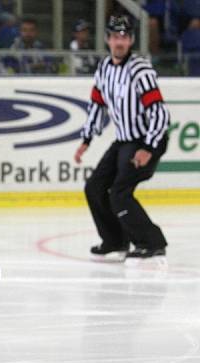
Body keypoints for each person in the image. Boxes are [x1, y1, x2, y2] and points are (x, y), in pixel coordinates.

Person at [74, 15, 170, 264]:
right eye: (115, 36)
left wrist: (149, 147)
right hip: (125, 140)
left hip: (147, 139)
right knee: (94, 187)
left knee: (119, 193)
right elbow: (97, 104)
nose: (120, 41)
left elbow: (159, 112)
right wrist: (86, 139)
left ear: (131, 40)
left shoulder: (140, 70)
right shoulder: (104, 68)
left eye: (125, 37)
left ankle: (152, 243)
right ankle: (115, 240)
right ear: (107, 39)